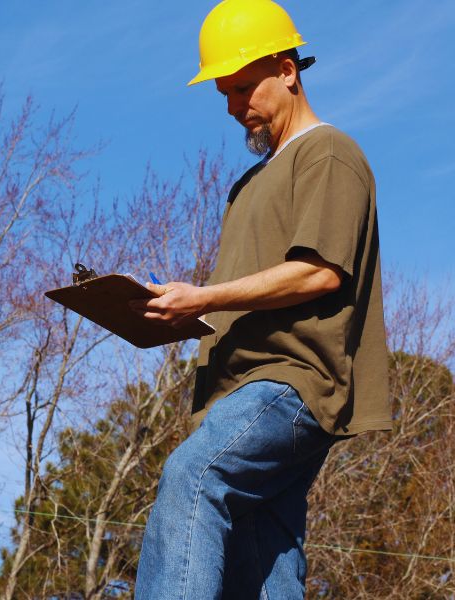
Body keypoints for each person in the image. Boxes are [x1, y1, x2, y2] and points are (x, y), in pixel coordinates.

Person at [130, 0, 392, 597]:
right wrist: (180, 310)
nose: (232, 106)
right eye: (223, 93)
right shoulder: (250, 182)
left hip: (291, 381)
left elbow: (319, 272)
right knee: (264, 558)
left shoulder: (328, 152)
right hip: (240, 385)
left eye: (244, 87)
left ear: (287, 70)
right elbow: (253, 292)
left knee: (194, 476)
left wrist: (205, 296)